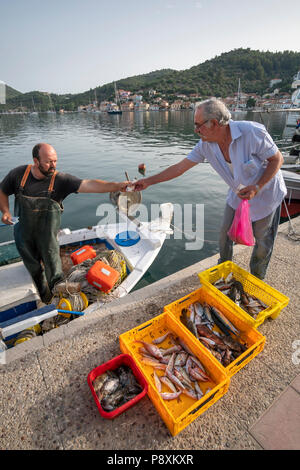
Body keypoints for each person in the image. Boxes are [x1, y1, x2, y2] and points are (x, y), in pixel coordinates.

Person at [133, 98, 287, 280]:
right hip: (238, 195)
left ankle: (257, 280)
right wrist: (148, 181)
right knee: (224, 235)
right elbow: (179, 168)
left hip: (266, 194)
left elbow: (277, 160)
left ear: (214, 123)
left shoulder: (252, 132)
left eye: (198, 125)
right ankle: (223, 272)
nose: (196, 130)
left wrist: (257, 187)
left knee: (262, 243)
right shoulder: (206, 145)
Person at [0, 143, 128, 302]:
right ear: (36, 160)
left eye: (55, 161)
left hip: (47, 237)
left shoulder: (60, 180)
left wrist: (117, 186)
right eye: (48, 162)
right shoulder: (18, 175)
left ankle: (59, 297)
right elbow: (2, 191)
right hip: (23, 235)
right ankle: (45, 297)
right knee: (34, 269)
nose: (53, 165)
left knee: (54, 271)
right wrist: (5, 211)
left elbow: (89, 184)